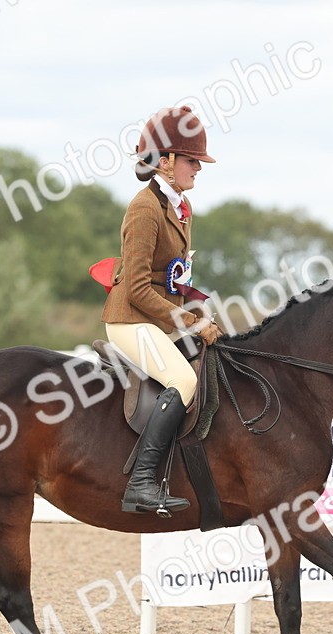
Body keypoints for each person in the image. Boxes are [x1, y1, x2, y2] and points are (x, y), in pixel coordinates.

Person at [100, 106, 222, 515]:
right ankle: (141, 484)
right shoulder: (145, 208)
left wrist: (198, 314)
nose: (198, 169)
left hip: (158, 318)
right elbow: (136, 289)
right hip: (130, 320)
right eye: (192, 161)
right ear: (166, 161)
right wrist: (188, 321)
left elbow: (172, 280)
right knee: (184, 382)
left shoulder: (180, 208)